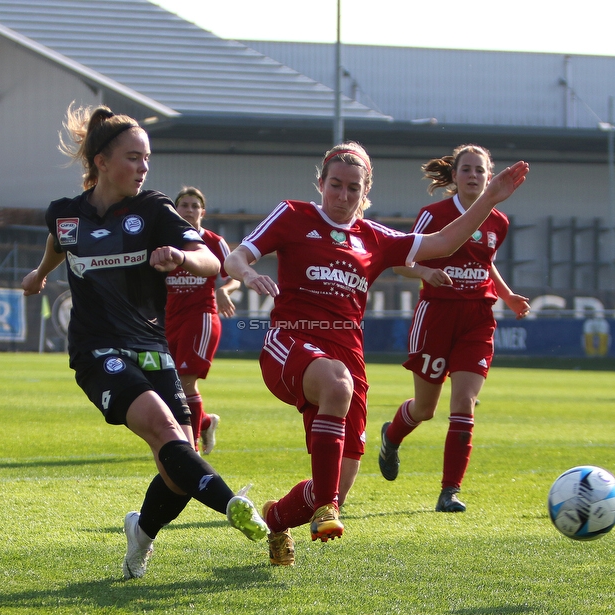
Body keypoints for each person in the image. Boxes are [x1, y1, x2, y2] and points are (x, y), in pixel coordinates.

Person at [224, 142, 528, 566]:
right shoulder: (294, 215)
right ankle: (326, 507)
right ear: (321, 183)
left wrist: (492, 198)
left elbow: (444, 241)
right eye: (335, 185)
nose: (343, 196)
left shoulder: (375, 237)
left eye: (353, 188)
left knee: (336, 483)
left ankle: (274, 519)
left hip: (347, 355)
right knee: (335, 387)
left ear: (364, 191)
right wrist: (249, 273)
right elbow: (237, 255)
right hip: (290, 343)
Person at [21, 104, 267, 580]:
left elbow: (210, 261)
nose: (143, 166)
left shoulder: (153, 208)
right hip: (97, 350)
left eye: (147, 158)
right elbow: (57, 246)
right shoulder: (65, 215)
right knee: (165, 432)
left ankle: (141, 533)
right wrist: (37, 275)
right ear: (101, 162)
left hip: (153, 347)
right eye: (133, 157)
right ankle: (234, 504)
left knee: (178, 468)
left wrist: (181, 256)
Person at [378, 145, 530, 514]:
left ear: (489, 175)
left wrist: (507, 295)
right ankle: (391, 435)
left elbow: (486, 262)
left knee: (464, 402)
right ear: (455, 176)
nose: (474, 176)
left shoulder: (499, 221)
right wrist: (426, 272)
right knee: (425, 409)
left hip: (478, 317)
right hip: (437, 316)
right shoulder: (434, 215)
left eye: (481, 170)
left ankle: (449, 491)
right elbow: (401, 263)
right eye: (467, 169)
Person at [165, 187, 240, 455]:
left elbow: (236, 274)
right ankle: (206, 421)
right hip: (169, 319)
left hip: (201, 318)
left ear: (202, 212)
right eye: (184, 205)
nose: (189, 210)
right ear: (175, 210)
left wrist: (224, 290)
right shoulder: (164, 242)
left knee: (185, 382)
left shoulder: (213, 242)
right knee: (166, 385)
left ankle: (190, 447)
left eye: (194, 206)